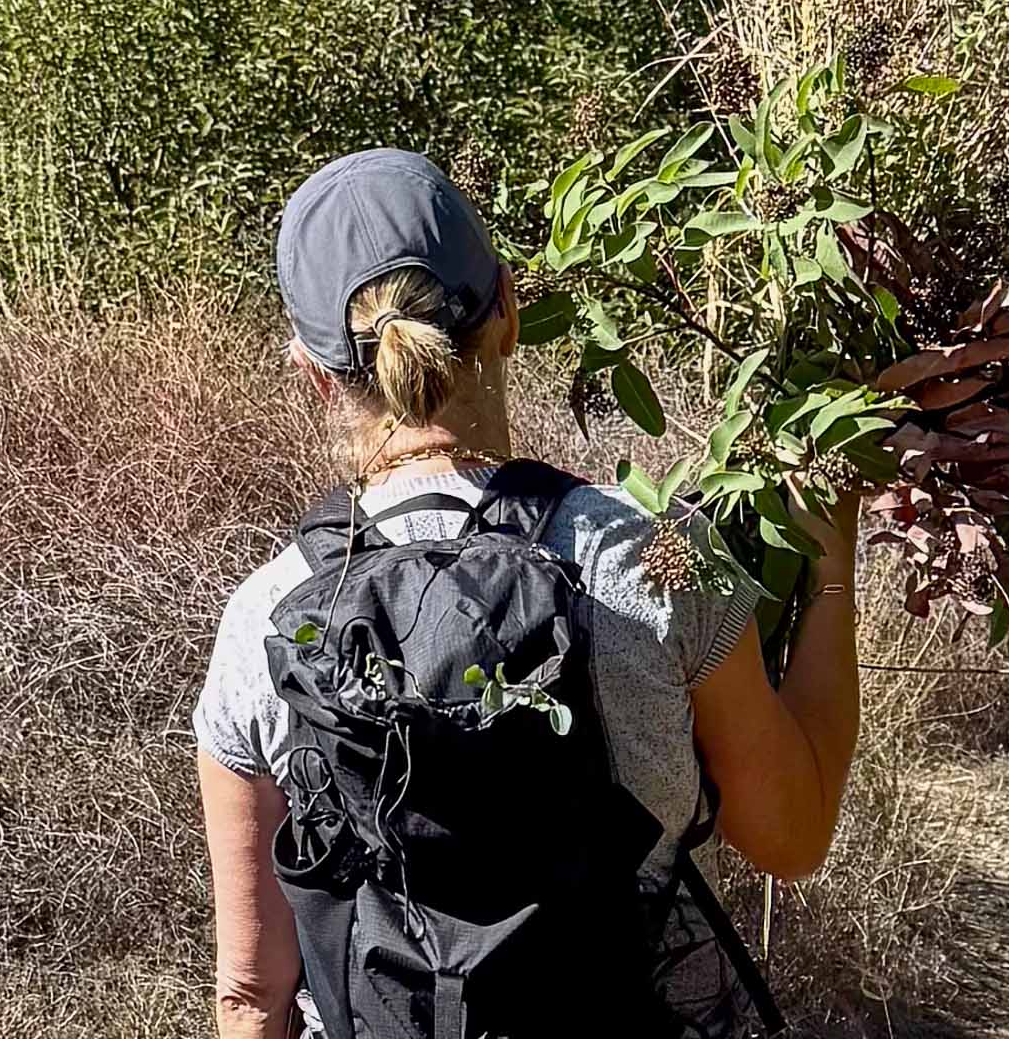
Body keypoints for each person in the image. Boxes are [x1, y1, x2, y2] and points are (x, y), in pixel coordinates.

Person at [194, 148, 861, 1039]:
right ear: (508, 307)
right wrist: (831, 570)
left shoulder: (267, 623)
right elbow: (793, 836)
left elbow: (251, 991)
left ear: (317, 375)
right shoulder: (648, 557)